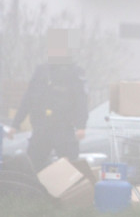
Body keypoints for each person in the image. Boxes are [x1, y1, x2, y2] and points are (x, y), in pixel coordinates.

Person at [8, 28, 88, 172]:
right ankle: (33, 191)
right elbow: (28, 98)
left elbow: (81, 101)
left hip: (63, 127)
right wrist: (15, 124)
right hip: (41, 127)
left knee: (69, 166)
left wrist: (81, 126)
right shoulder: (41, 71)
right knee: (32, 164)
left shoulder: (75, 73)